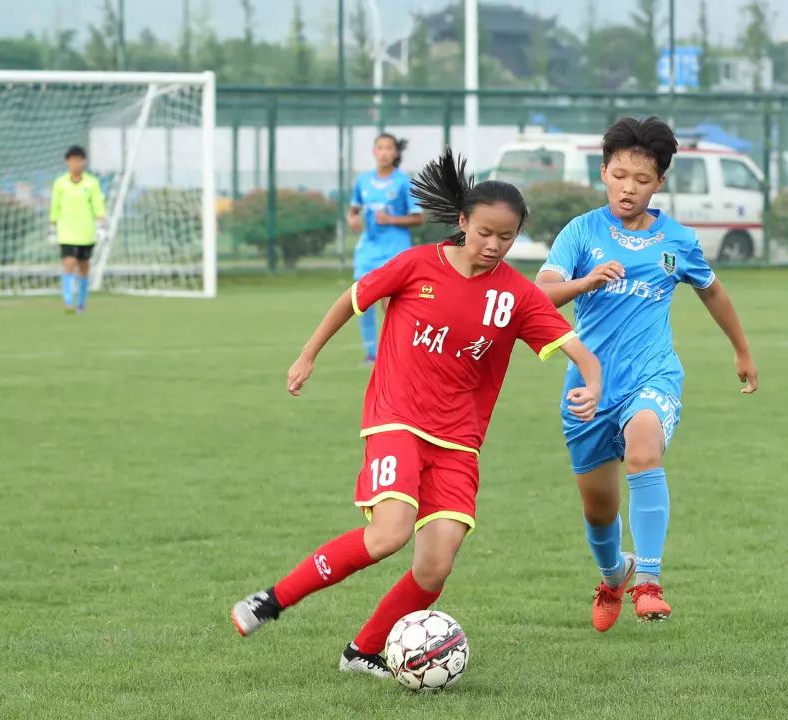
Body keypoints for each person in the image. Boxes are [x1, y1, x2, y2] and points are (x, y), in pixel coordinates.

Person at [230, 148, 602, 676]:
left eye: (506, 237)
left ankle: (362, 652)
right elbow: (351, 300)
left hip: (459, 441)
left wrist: (592, 382)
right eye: (484, 232)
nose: (493, 245)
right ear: (462, 222)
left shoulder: (516, 296)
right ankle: (272, 600)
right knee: (389, 534)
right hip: (397, 420)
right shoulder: (418, 265)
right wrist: (307, 355)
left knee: (436, 564)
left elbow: (580, 351)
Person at [535, 116, 759, 632]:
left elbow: (712, 291)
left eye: (641, 179)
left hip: (652, 375)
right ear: (603, 172)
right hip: (589, 388)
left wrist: (742, 350)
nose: (628, 188)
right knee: (599, 510)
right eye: (619, 175)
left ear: (660, 181)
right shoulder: (581, 231)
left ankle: (650, 582)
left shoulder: (677, 240)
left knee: (643, 449)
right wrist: (586, 282)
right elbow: (539, 295)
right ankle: (615, 575)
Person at [349, 133, 424, 363]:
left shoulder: (404, 182)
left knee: (391, 303)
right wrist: (353, 218)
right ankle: (371, 354)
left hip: (395, 250)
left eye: (389, 148)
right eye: (380, 147)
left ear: (396, 152)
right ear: (374, 152)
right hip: (368, 251)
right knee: (362, 300)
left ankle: (399, 351)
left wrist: (391, 220)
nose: (384, 152)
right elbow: (353, 210)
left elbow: (418, 217)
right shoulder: (363, 181)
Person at [50, 146, 106, 313]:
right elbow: (55, 206)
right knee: (68, 263)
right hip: (66, 232)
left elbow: (97, 204)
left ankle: (81, 302)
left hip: (86, 232)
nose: (76, 163)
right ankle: (68, 301)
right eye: (73, 160)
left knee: (83, 267)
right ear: (67, 161)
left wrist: (101, 225)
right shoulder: (60, 183)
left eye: (80, 160)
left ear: (84, 162)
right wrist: (52, 228)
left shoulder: (91, 183)